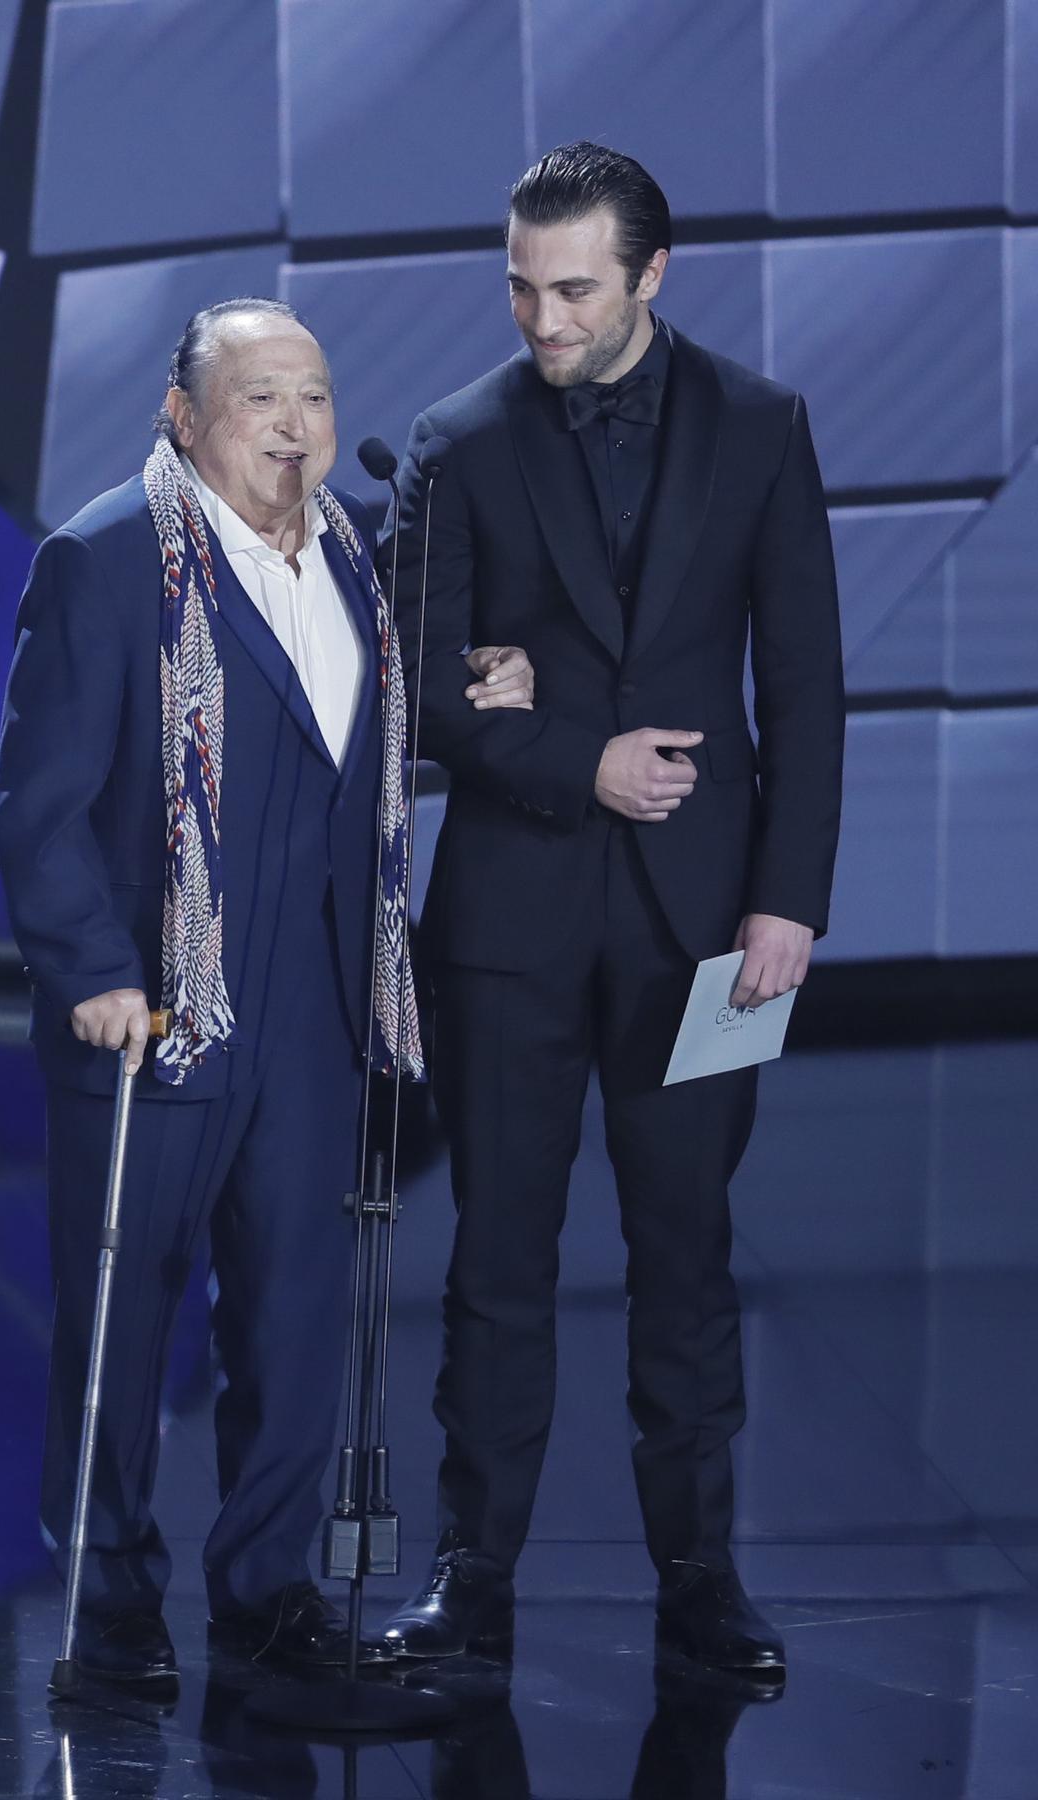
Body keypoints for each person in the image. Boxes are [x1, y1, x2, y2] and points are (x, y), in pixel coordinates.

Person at [0, 297, 534, 1686]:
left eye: (313, 398)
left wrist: (484, 679)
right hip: (159, 1013)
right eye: (260, 401)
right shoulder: (109, 560)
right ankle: (109, 1599)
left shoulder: (356, 565)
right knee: (126, 1315)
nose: (295, 429)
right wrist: (96, 976)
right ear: (186, 417)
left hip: (315, 1014)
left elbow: (355, 757)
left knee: (295, 1312)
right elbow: (40, 809)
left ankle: (269, 1586)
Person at [380, 144, 844, 1677]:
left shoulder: (765, 426)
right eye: (520, 285)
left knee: (689, 1250)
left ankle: (702, 1577)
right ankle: (473, 1573)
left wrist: (791, 905)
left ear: (653, 274)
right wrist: (577, 754)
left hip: (711, 929)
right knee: (497, 1261)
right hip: (509, 928)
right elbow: (422, 694)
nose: (542, 318)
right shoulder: (455, 444)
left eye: (572, 288)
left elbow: (810, 685)